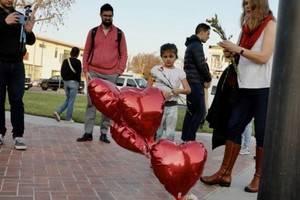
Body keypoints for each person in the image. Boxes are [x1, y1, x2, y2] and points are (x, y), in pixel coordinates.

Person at [200, 0, 276, 193]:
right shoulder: (245, 29)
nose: (246, 7)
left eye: (250, 3)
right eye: (244, 4)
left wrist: (238, 49)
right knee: (233, 127)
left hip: (263, 88)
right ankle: (224, 173)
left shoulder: (271, 25)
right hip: (244, 87)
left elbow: (264, 56)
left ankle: (259, 177)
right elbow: (242, 56)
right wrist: (231, 54)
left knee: (261, 133)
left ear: (260, 5)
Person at [77, 3, 127, 143]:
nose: (107, 18)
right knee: (91, 103)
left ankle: (104, 133)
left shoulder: (119, 33)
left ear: (113, 16)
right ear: (100, 15)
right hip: (94, 72)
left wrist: (118, 71)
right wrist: (86, 70)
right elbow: (86, 52)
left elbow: (124, 54)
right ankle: (88, 133)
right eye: (105, 15)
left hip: (111, 74)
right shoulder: (93, 32)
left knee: (108, 105)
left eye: (110, 16)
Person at [0, 0, 36, 150]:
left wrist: (29, 31)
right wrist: (4, 23)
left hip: (17, 65)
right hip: (0, 63)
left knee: (17, 101)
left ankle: (18, 136)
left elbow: (31, 41)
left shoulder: (20, 16)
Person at [147, 43, 191, 142]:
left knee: (170, 133)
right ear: (161, 57)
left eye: (171, 56)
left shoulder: (180, 72)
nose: (168, 59)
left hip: (173, 107)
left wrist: (179, 90)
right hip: (159, 107)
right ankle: (154, 151)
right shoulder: (156, 70)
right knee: (157, 131)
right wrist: (160, 93)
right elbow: (148, 88)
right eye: (165, 56)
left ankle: (168, 151)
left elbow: (188, 89)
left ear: (176, 57)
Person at [181, 23, 212, 142]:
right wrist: (208, 78)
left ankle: (185, 139)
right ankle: (190, 139)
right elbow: (201, 65)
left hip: (190, 82)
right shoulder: (197, 45)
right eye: (208, 34)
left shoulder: (191, 45)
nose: (208, 37)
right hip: (195, 83)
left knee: (191, 111)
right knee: (200, 111)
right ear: (202, 32)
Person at [53, 47, 82, 123]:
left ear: (71, 53)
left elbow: (62, 72)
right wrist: (78, 82)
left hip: (66, 83)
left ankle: (58, 112)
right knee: (71, 101)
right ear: (78, 54)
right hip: (74, 83)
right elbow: (78, 74)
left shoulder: (65, 61)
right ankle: (68, 119)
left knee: (68, 99)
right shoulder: (78, 62)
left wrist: (65, 80)